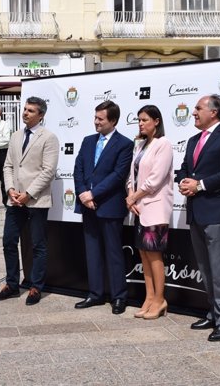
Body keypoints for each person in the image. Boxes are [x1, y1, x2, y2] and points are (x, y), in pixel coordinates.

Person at [177, 94, 220, 342]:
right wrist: (184, 181)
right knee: (206, 269)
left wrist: (200, 185)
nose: (193, 112)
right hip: (197, 212)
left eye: (198, 108)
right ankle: (214, 314)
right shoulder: (194, 140)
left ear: (213, 112)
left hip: (218, 213)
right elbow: (186, 168)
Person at [0, 96, 59, 306]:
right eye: (25, 109)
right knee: (8, 241)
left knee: (38, 244)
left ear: (41, 115)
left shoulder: (49, 138)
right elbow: (8, 166)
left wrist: (28, 194)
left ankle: (36, 286)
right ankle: (12, 284)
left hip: (36, 201)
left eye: (30, 110)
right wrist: (10, 189)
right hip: (15, 200)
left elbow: (48, 171)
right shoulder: (15, 136)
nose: (25, 113)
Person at [72, 101, 133, 315]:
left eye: (101, 119)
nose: (96, 122)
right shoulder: (88, 141)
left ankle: (119, 297)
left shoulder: (124, 144)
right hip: (88, 205)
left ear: (113, 121)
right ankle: (95, 294)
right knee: (93, 252)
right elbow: (78, 168)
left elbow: (118, 175)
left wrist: (94, 193)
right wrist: (82, 194)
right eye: (95, 117)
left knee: (114, 253)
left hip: (109, 206)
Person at [126, 105, 174, 320]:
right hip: (139, 208)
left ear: (156, 121)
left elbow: (155, 179)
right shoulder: (140, 145)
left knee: (154, 255)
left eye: (145, 119)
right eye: (139, 120)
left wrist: (134, 196)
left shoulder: (163, 145)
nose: (141, 123)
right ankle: (149, 297)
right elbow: (131, 176)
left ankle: (160, 299)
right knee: (143, 254)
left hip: (155, 206)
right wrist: (130, 196)